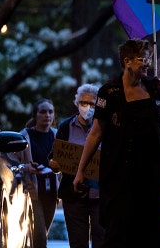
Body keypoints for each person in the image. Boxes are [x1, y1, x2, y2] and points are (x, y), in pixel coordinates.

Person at [73, 39, 160, 247]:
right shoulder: (109, 92)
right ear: (127, 61)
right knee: (120, 230)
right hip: (120, 174)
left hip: (152, 172)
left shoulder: (155, 86)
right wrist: (80, 170)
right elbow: (96, 133)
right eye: (142, 59)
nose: (146, 63)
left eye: (148, 58)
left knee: (154, 229)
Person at [49, 84, 105, 248]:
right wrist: (54, 164)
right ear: (76, 103)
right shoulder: (66, 126)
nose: (87, 107)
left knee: (101, 240)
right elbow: (55, 156)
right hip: (73, 194)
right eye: (83, 102)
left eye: (92, 104)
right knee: (77, 241)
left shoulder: (105, 127)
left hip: (100, 194)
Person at [15, 98, 59, 248]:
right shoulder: (24, 136)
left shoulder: (57, 135)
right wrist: (27, 167)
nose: (47, 115)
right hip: (32, 191)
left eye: (50, 112)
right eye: (43, 112)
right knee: (40, 236)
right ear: (35, 115)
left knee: (41, 234)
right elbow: (10, 163)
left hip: (52, 192)